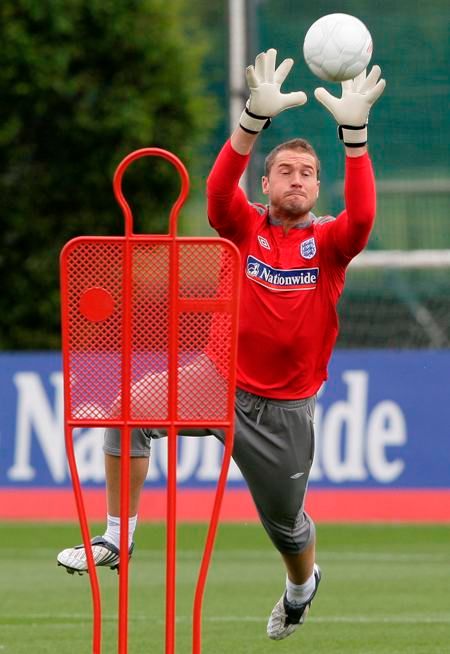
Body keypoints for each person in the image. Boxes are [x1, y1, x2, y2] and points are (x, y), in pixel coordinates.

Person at [57, 48, 385, 641]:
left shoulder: (332, 243)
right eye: (285, 170)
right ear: (266, 183)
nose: (296, 179)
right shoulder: (246, 225)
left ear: (318, 188)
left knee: (286, 527)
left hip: (281, 408)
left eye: (307, 173)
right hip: (215, 376)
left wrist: (354, 138)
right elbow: (213, 194)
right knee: (125, 412)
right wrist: (250, 124)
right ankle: (117, 535)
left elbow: (362, 218)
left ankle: (300, 587)